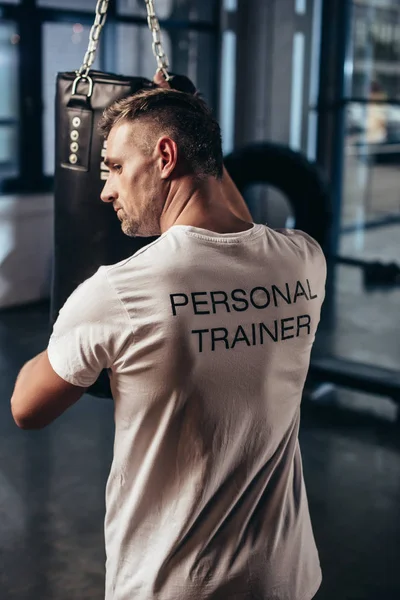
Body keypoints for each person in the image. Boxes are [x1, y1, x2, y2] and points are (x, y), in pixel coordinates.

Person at [10, 71, 327, 600]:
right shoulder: (302, 262)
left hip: (172, 585)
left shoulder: (118, 291)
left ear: (164, 156)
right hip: (286, 579)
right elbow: (236, 232)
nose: (105, 189)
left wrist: (68, 331)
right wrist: (194, 126)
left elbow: (27, 407)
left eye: (112, 166)